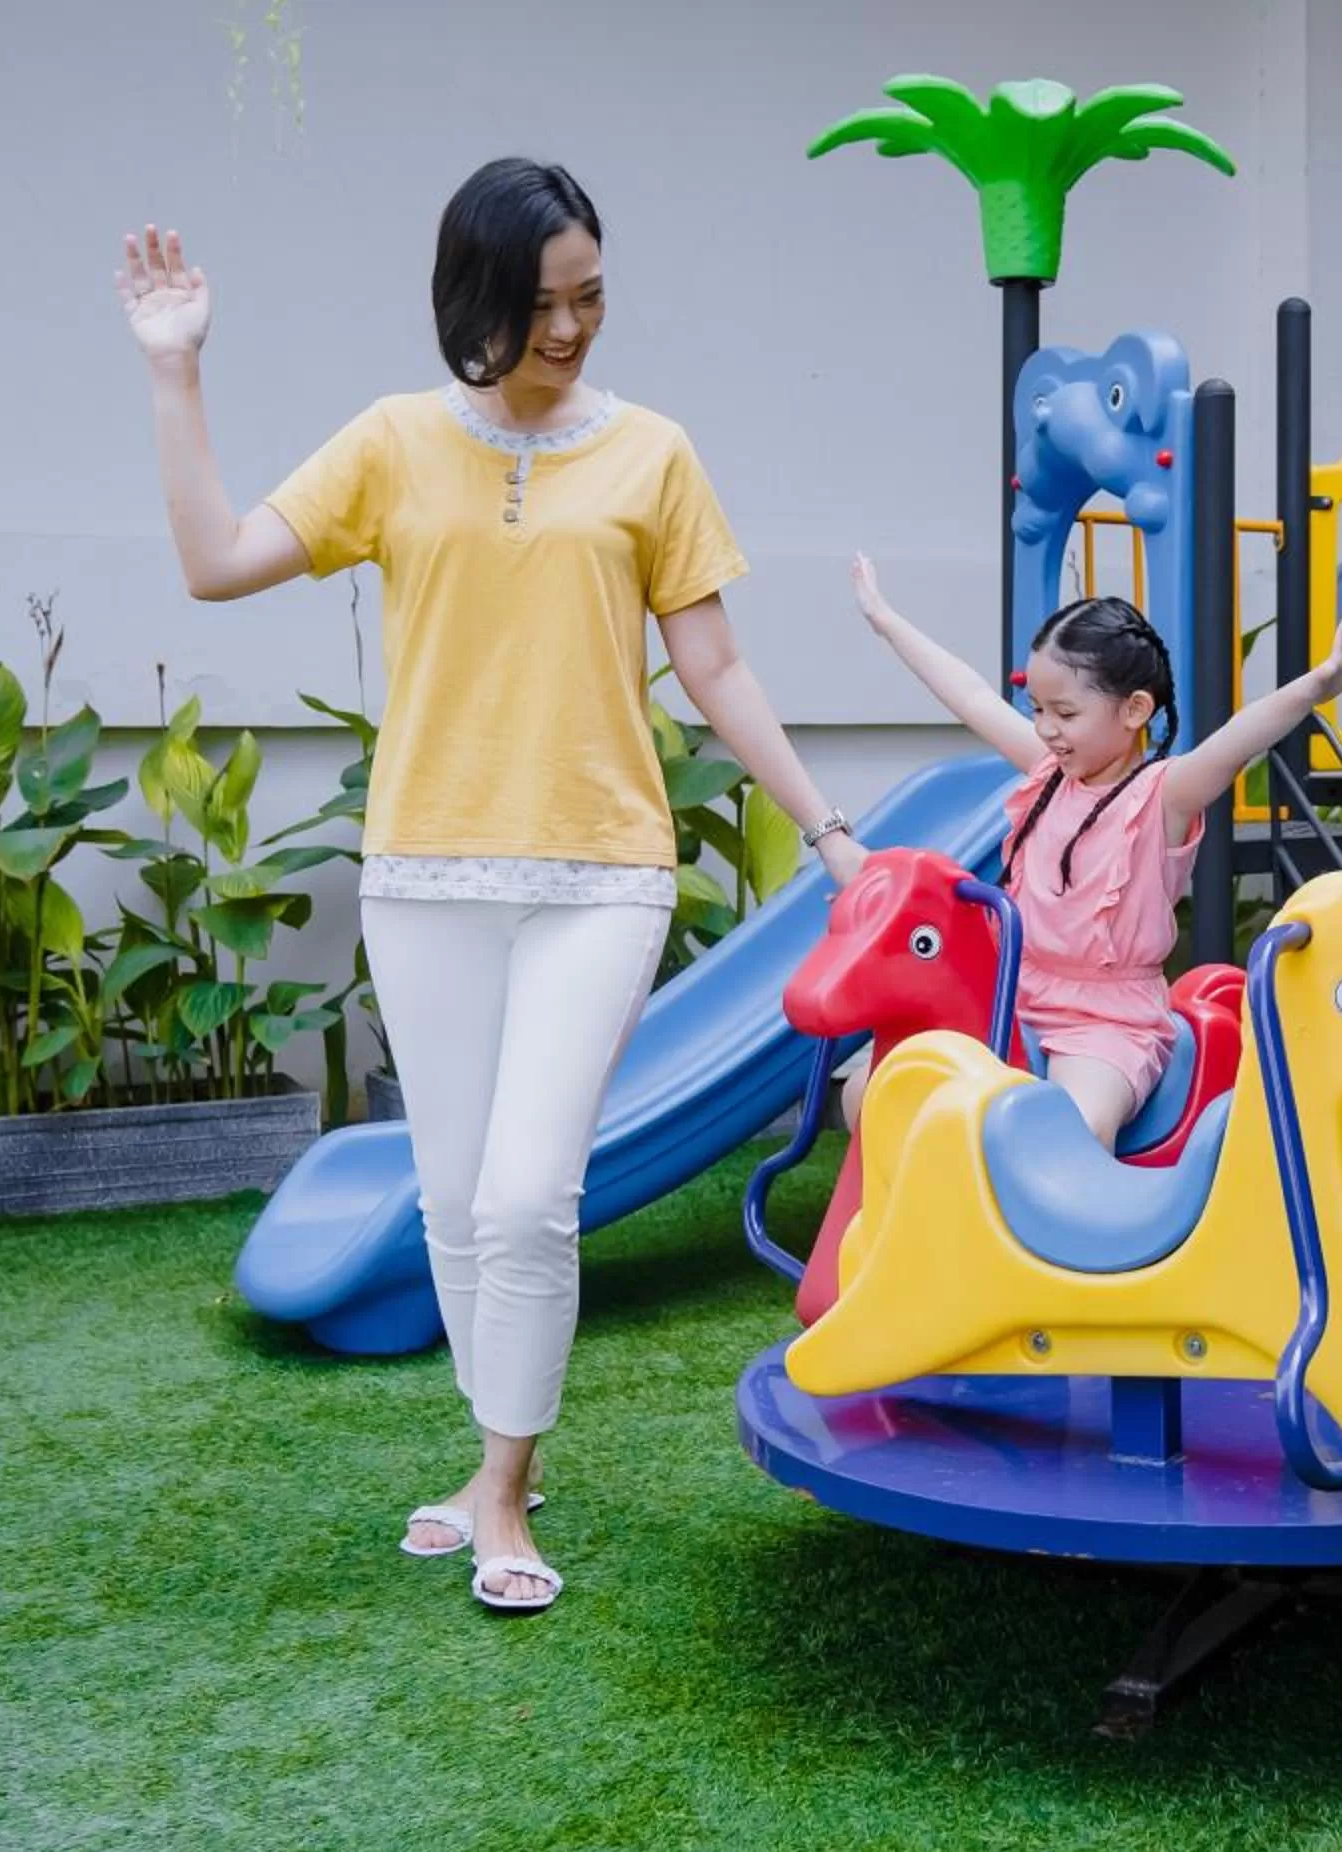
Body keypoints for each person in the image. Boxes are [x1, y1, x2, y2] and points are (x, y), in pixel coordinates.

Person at [116, 159, 868, 1613]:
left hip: (600, 872)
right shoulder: (397, 444)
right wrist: (175, 374)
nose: (574, 328)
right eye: (542, 305)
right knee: (456, 1202)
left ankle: (511, 1493)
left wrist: (826, 827)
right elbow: (215, 564)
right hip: (424, 872)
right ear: (474, 300)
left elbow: (711, 664)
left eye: (591, 297)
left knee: (530, 1197)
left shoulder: (652, 453)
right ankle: (484, 1461)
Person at [846, 554, 1342, 1147]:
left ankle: (1057, 1237)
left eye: (1065, 713)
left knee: (1071, 1132)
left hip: (1106, 1024)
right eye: (1038, 709)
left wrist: (1318, 685)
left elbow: (1236, 741)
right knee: (875, 1089)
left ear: (1135, 710)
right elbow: (971, 695)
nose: (1045, 728)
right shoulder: (1049, 776)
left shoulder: (1161, 798)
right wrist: (887, 621)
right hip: (1012, 994)